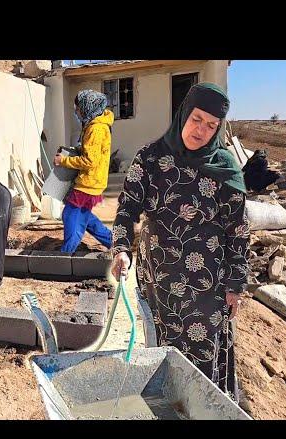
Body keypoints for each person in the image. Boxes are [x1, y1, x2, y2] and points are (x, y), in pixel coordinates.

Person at [110, 83, 249, 400]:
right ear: (184, 112)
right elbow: (127, 209)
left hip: (207, 289)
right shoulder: (150, 158)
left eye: (211, 125)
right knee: (162, 355)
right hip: (158, 283)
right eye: (197, 119)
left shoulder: (225, 168)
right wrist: (121, 250)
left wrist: (236, 284)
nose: (202, 130)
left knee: (200, 364)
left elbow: (238, 230)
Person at [54, 89, 114, 253]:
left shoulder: (96, 129)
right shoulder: (95, 124)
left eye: (78, 108)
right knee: (85, 217)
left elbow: (90, 161)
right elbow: (92, 152)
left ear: (88, 107)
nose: (76, 111)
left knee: (71, 216)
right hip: (94, 181)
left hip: (89, 183)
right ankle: (113, 242)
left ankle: (67, 253)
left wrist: (64, 161)